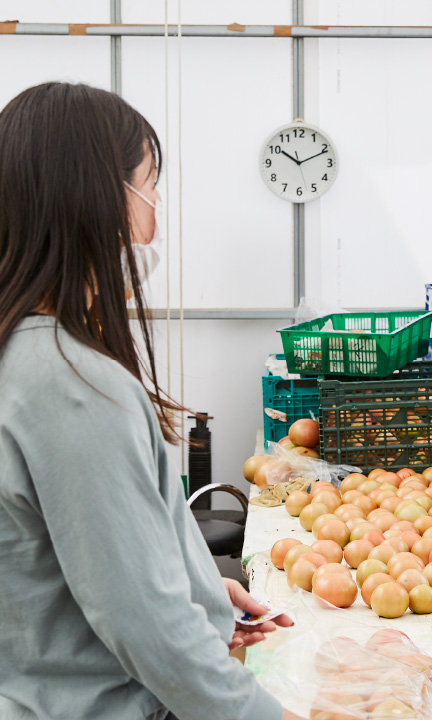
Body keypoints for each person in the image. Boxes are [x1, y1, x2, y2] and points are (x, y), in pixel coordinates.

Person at [0, 83, 305, 720]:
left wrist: (200, 594)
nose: (157, 208)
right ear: (96, 200)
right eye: (149, 183)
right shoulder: (74, 384)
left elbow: (71, 558)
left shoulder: (23, 355)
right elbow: (145, 625)